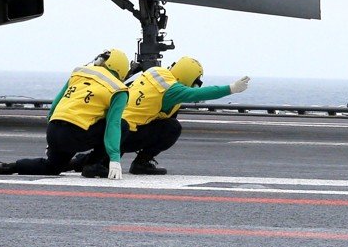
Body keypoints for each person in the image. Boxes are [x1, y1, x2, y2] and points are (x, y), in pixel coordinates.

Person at [73, 56, 250, 175]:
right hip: (128, 134)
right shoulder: (172, 90)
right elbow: (197, 94)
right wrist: (231, 88)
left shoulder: (153, 72)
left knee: (100, 159)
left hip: (111, 127)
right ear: (189, 77)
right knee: (172, 128)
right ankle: (141, 163)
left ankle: (78, 161)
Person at [0, 49, 130, 179]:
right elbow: (113, 124)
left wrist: (52, 143)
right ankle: (93, 165)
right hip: (76, 134)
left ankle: (6, 167)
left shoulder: (80, 73)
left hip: (53, 131)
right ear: (121, 70)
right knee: (123, 125)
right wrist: (114, 157)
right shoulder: (118, 89)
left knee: (52, 167)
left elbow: (56, 104)